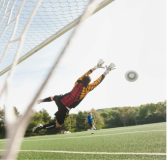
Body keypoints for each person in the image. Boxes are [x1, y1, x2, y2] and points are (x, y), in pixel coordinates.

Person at [32, 59, 116, 132]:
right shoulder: (88, 88)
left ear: (82, 79)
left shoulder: (77, 81)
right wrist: (107, 71)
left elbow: (87, 73)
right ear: (88, 83)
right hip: (65, 108)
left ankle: (42, 100)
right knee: (59, 124)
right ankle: (42, 127)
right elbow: (98, 81)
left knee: (54, 97)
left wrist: (96, 67)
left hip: (61, 99)